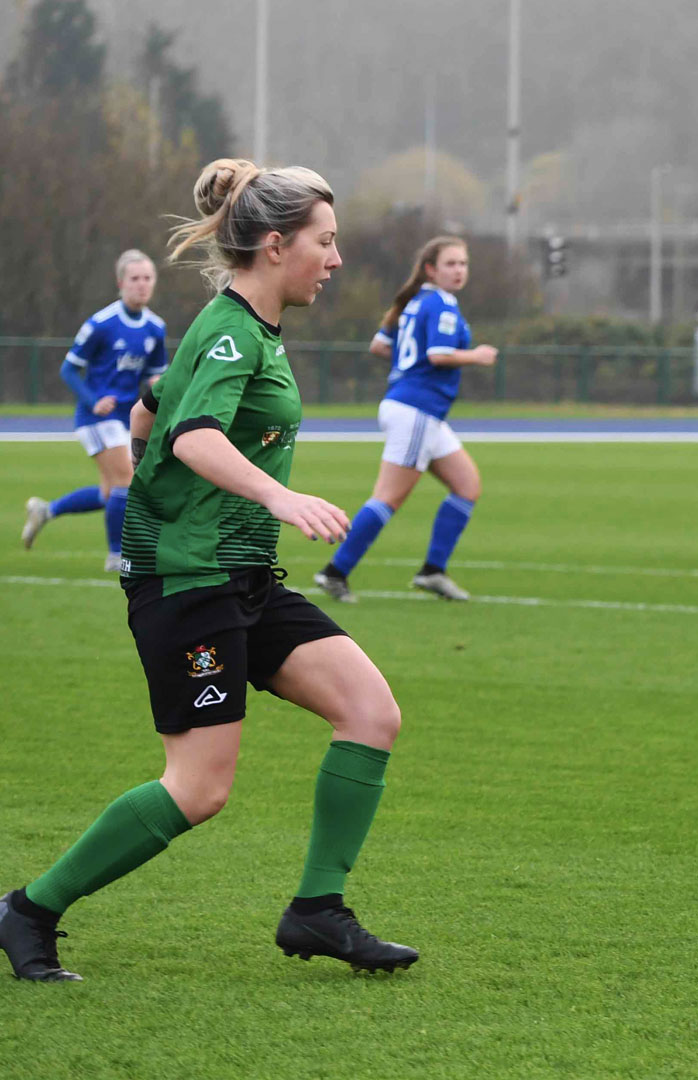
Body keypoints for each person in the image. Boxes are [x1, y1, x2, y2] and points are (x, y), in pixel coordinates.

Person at [0, 159, 417, 982]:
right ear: (274, 245)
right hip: (190, 587)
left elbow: (149, 407)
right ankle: (26, 911)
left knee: (371, 711)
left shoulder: (240, 330)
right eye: (324, 243)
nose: (335, 260)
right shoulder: (231, 333)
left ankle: (317, 912)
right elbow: (190, 433)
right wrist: (273, 496)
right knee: (198, 788)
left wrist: (164, 491)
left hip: (242, 577)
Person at [312, 236, 496, 604]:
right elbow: (439, 354)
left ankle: (433, 571)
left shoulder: (413, 302)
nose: (459, 271)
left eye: (463, 264)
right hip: (417, 409)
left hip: (419, 411)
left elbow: (379, 346)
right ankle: (335, 572)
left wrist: (408, 362)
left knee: (467, 485)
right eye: (451, 264)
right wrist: (475, 355)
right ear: (431, 269)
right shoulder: (441, 303)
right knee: (387, 498)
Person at [21, 251, 169, 572]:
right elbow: (69, 370)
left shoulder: (156, 328)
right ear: (120, 283)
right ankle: (116, 556)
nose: (142, 285)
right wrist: (93, 401)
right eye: (135, 279)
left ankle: (47, 511)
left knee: (109, 492)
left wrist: (161, 386)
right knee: (127, 481)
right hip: (96, 418)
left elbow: (155, 375)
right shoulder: (101, 324)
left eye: (147, 278)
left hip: (127, 418)